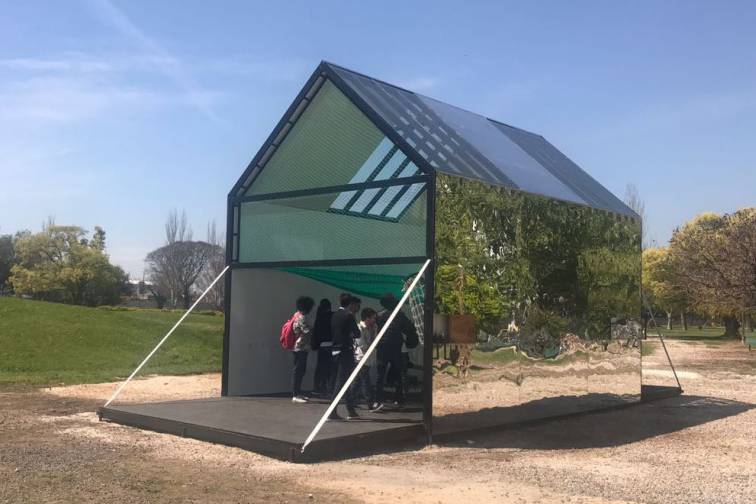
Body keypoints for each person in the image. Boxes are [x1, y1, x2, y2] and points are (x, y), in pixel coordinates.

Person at [375, 293, 417, 408]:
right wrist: (410, 340)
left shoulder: (378, 315)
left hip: (382, 347)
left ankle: (377, 399)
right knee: (399, 373)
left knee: (380, 375)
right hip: (395, 347)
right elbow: (410, 328)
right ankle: (399, 399)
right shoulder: (399, 315)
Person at [329, 293, 361, 420]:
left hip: (335, 349)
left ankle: (351, 409)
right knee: (342, 381)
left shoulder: (335, 315)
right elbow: (357, 333)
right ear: (350, 304)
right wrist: (351, 334)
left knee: (345, 380)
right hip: (345, 351)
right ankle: (332, 411)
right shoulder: (349, 316)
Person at [354, 307, 383, 412]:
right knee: (365, 380)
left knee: (358, 381)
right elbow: (362, 345)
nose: (374, 320)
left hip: (369, 357)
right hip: (361, 357)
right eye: (372, 318)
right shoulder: (359, 328)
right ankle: (370, 403)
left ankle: (351, 400)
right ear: (366, 318)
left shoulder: (374, 327)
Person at [291, 296, 315, 404]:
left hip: (299, 346)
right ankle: (295, 394)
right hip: (301, 347)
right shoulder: (302, 317)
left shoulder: (296, 314)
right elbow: (306, 330)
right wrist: (313, 328)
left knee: (300, 370)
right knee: (299, 371)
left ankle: (297, 392)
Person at [311, 298, 334, 396]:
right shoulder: (333, 316)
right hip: (332, 345)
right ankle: (330, 388)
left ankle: (318, 387)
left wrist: (314, 345)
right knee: (331, 368)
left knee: (320, 368)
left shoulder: (319, 317)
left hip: (322, 345)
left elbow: (315, 333)